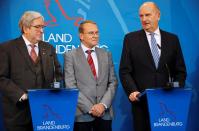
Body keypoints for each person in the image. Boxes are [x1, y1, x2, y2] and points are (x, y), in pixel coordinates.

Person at [119, 2, 187, 131]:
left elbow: (180, 71)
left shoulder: (173, 39)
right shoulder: (130, 39)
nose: (144, 19)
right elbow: (124, 71)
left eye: (147, 15)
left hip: (167, 102)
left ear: (158, 15)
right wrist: (133, 91)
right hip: (141, 103)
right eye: (141, 16)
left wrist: (175, 89)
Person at [0, 11, 63, 131]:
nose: (42, 30)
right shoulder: (7, 48)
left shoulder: (48, 48)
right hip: (18, 114)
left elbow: (58, 74)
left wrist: (55, 90)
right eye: (37, 27)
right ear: (25, 28)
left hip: (45, 114)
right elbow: (1, 78)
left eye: (42, 27)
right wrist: (21, 95)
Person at [64, 20, 118, 131]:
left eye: (97, 33)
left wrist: (103, 105)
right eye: (91, 33)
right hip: (82, 115)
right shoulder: (70, 56)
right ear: (81, 36)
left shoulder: (106, 54)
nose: (95, 36)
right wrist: (90, 108)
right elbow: (70, 86)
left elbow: (113, 82)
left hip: (105, 114)